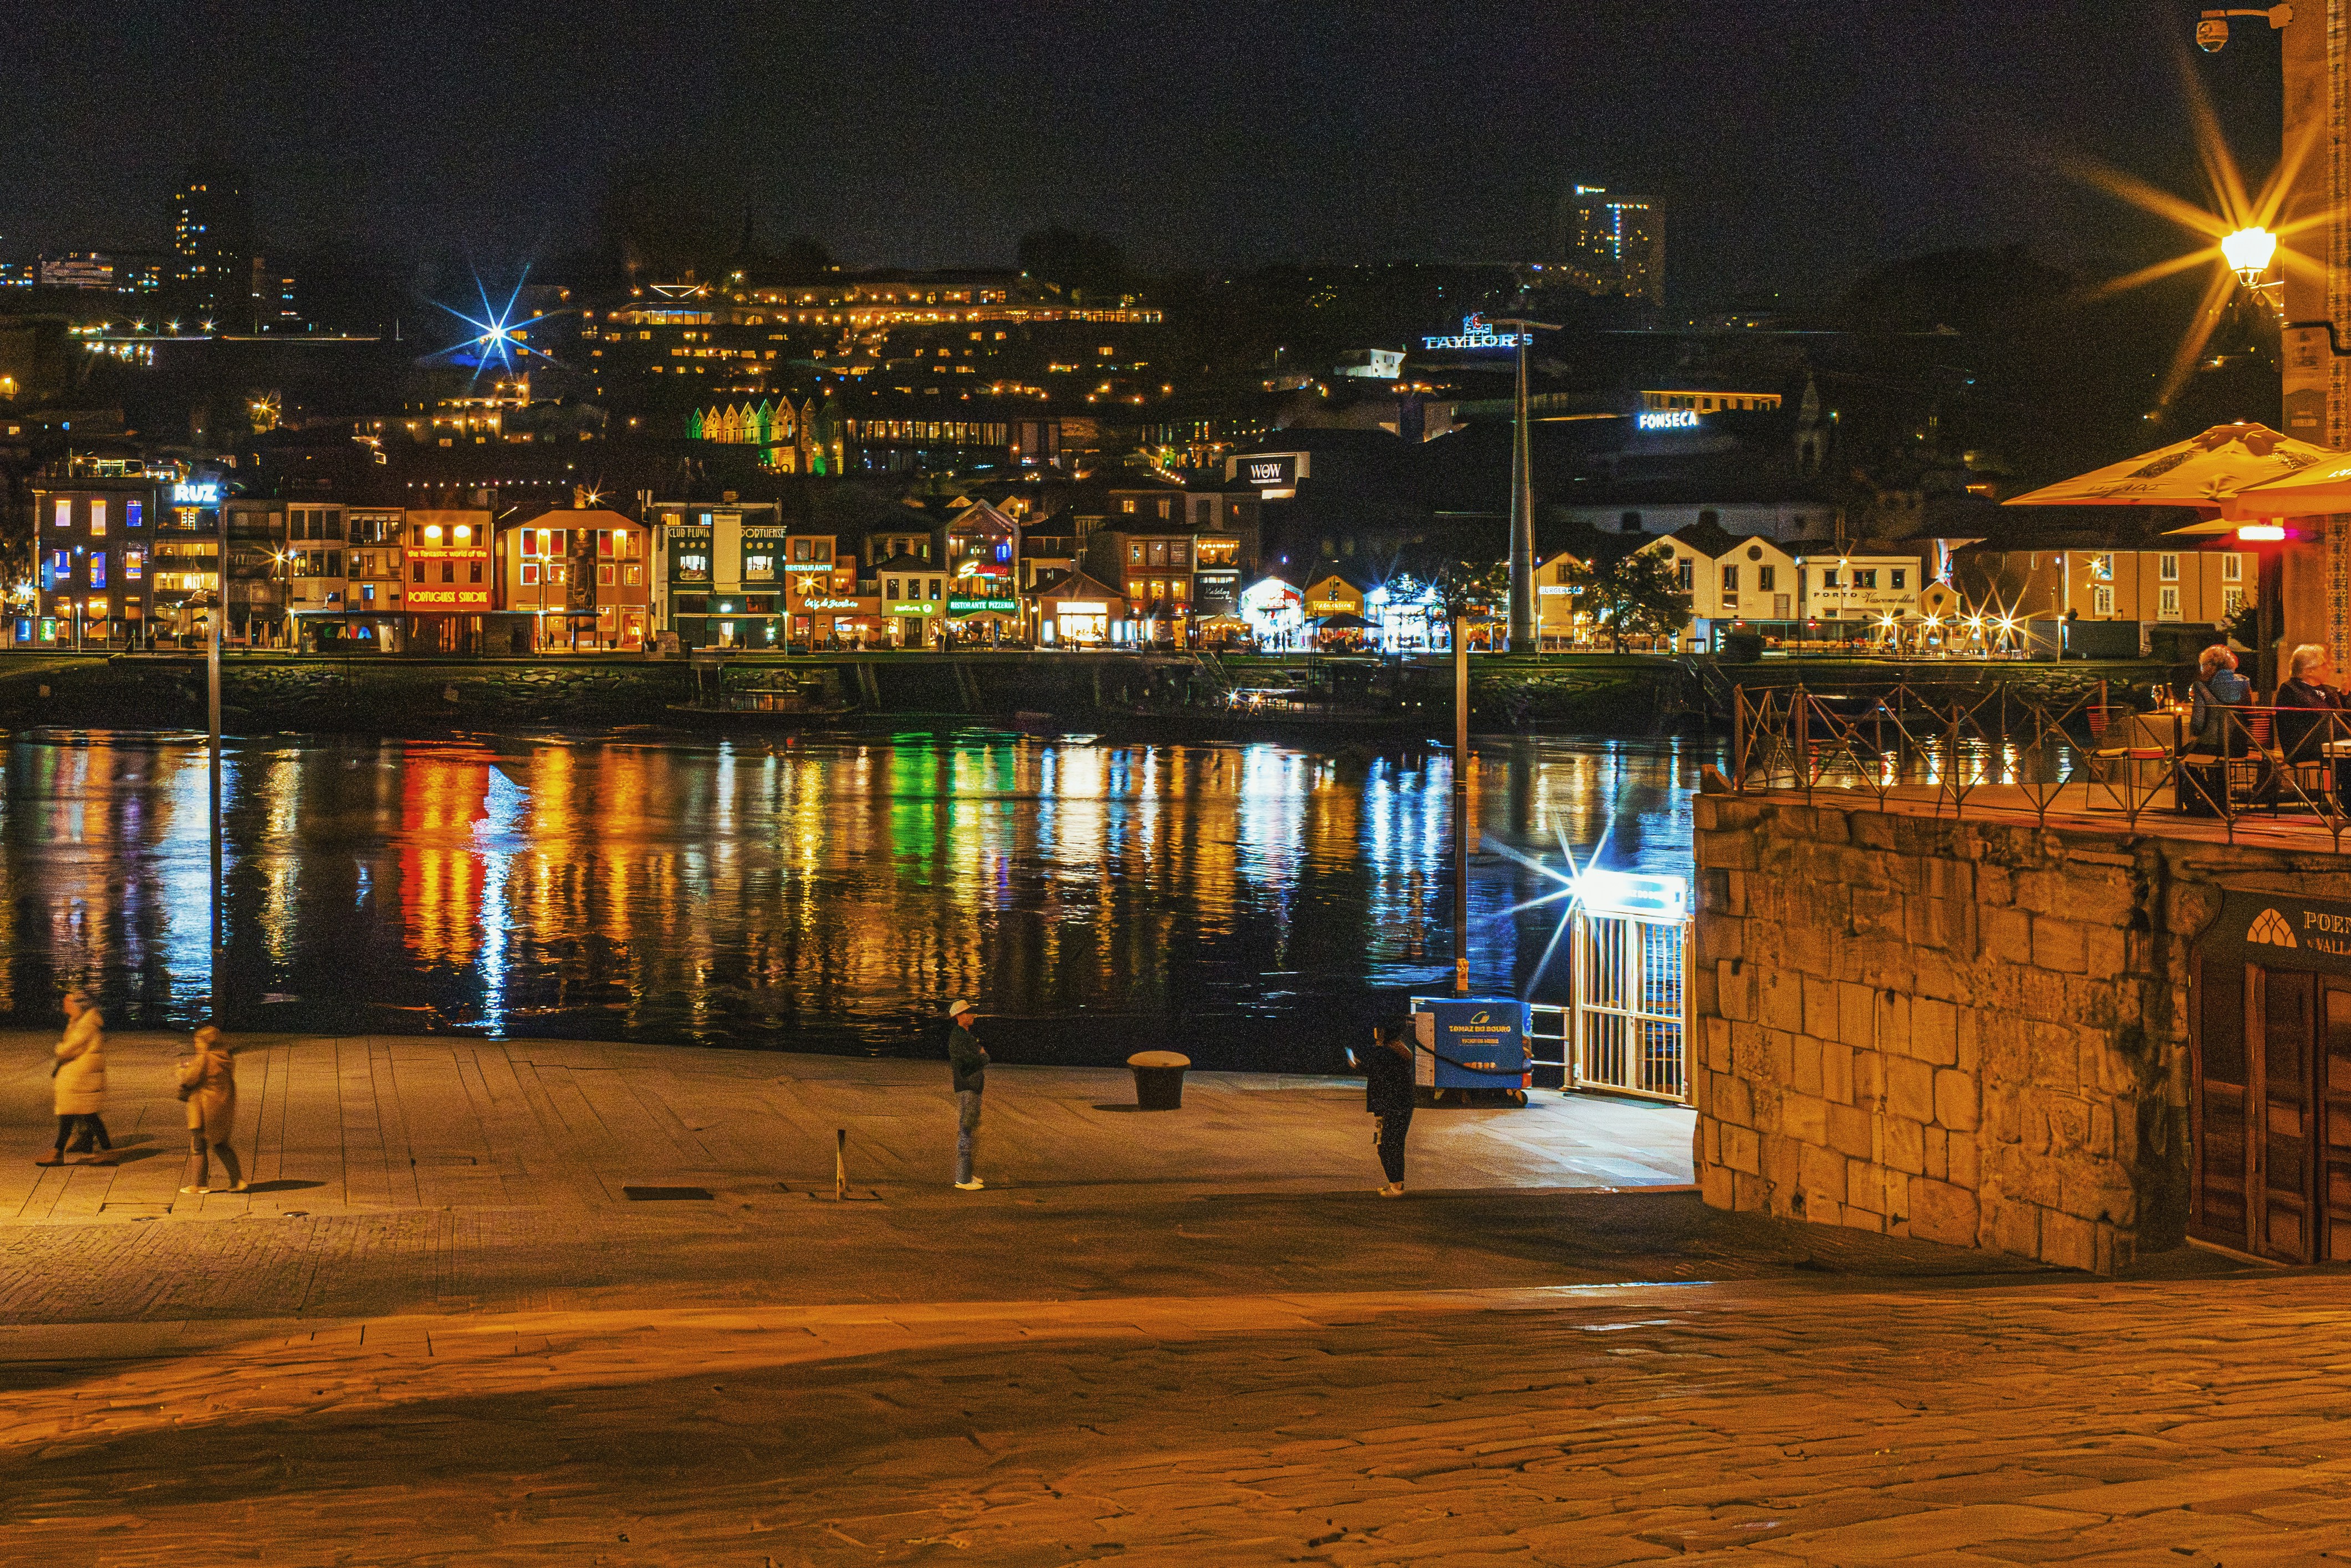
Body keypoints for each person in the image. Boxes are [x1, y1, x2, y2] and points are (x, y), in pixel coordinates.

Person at [1348, 1017, 1418, 1198]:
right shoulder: (1401, 1050)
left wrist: (1355, 1063)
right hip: (1402, 1103)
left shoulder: (1384, 1052)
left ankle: (1396, 1185)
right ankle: (1396, 1183)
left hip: (1389, 1105)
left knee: (1386, 1145)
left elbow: (1371, 1069)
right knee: (1393, 1142)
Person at [42, 991, 109, 1167]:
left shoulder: (85, 1025)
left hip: (80, 1078)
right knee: (80, 1115)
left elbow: (67, 1049)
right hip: (79, 1077)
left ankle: (58, 1153)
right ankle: (106, 1151)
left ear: (77, 1005)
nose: (65, 1005)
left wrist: (59, 1048)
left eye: (68, 1002)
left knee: (78, 1115)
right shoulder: (78, 1022)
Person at [178, 1025, 246, 1195]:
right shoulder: (225, 1058)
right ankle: (238, 1181)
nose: (196, 1045)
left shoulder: (204, 1058)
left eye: (198, 1041)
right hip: (220, 1108)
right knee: (221, 1145)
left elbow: (190, 1079)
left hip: (202, 1108)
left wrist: (182, 1069)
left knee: (198, 1146)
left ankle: (199, 1184)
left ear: (207, 1043)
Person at [946, 1000, 987, 1191]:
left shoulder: (965, 1035)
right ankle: (963, 1179)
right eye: (969, 1013)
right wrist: (982, 1057)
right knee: (966, 1129)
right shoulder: (959, 1038)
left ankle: (966, 1173)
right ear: (960, 1017)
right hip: (968, 1087)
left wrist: (980, 1056)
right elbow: (969, 1061)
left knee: (969, 1128)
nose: (973, 1016)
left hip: (971, 1086)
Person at [2188, 645, 2252, 755]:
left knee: (2178, 757)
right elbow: (2249, 716)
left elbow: (2198, 723)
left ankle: (2197, 773)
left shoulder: (2201, 686)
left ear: (2208, 666)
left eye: (2202, 666)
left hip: (2213, 747)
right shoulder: (2244, 683)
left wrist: (2194, 733)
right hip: (2239, 748)